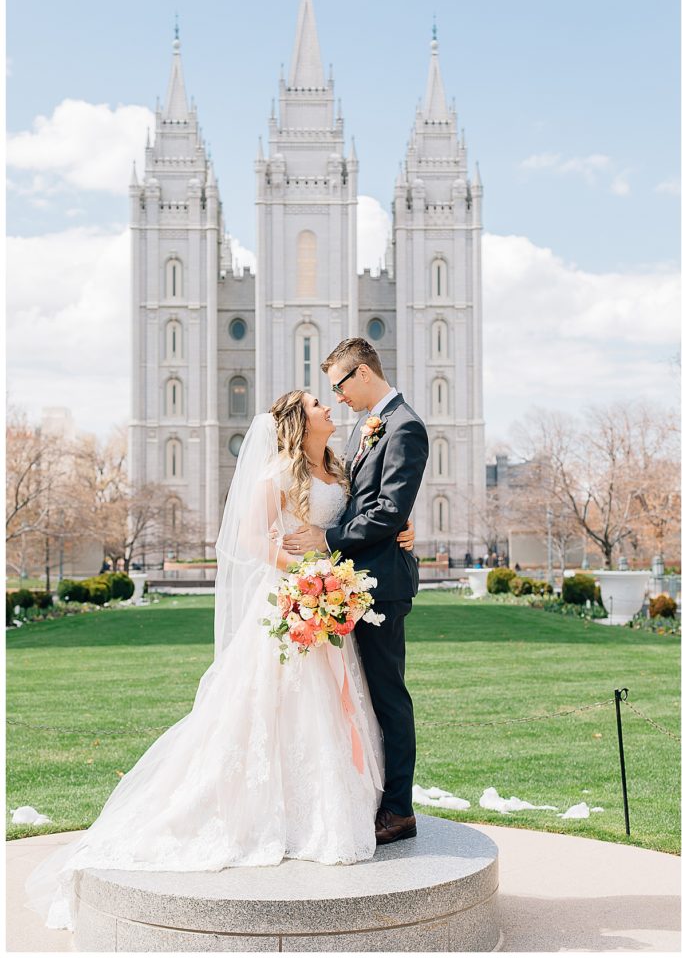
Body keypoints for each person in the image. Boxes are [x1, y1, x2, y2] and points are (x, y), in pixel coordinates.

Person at [25, 391, 416, 931]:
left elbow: (364, 520)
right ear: (299, 421)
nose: (329, 407)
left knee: (334, 706)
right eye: (318, 404)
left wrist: (398, 533)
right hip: (292, 601)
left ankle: (332, 808)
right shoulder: (276, 474)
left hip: (329, 603)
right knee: (275, 708)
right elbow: (252, 539)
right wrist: (303, 576)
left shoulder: (340, 468)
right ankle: (268, 811)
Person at [283, 339, 429, 846]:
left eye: (339, 385)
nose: (338, 397)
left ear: (362, 374)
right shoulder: (369, 429)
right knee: (361, 699)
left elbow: (388, 510)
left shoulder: (405, 427)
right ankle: (369, 797)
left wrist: (327, 539)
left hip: (381, 586)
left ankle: (399, 810)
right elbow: (365, 504)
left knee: (389, 698)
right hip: (352, 586)